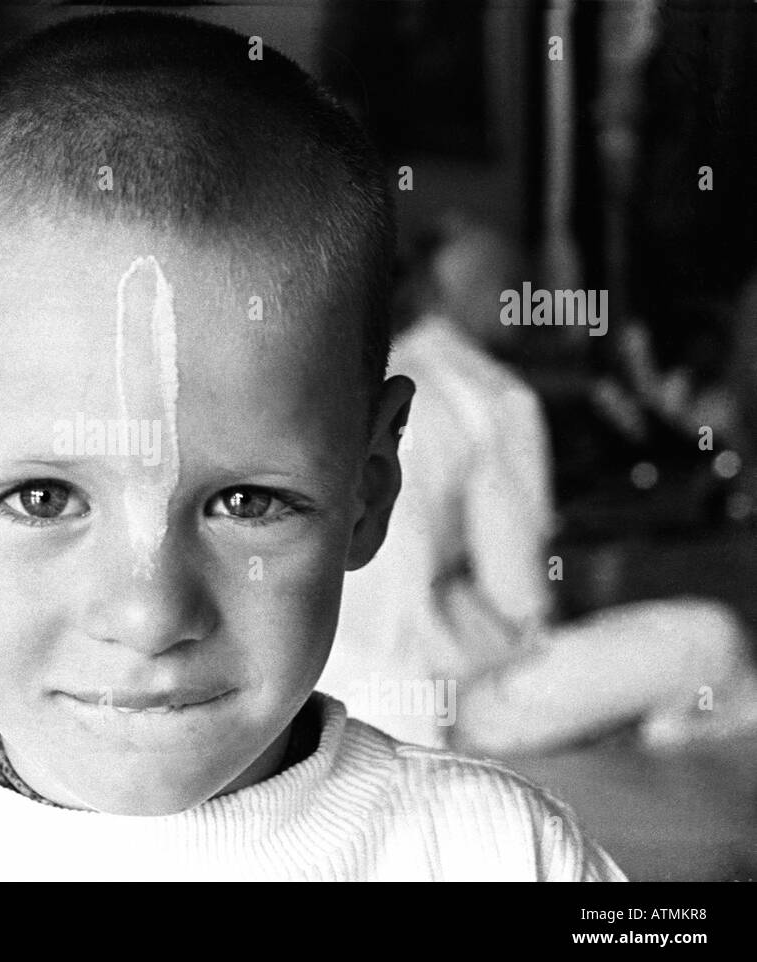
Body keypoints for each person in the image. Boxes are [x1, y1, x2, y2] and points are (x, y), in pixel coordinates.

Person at [0, 12, 622, 881]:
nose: (149, 615)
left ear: (370, 485)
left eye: (246, 502)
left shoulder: (504, 855)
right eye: (44, 498)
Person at [320, 220, 757, 754]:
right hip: (443, 714)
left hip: (327, 699)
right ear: (488, 294)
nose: (530, 307)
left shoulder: (357, 380)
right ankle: (659, 724)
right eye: (518, 290)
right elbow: (520, 600)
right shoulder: (494, 394)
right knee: (712, 635)